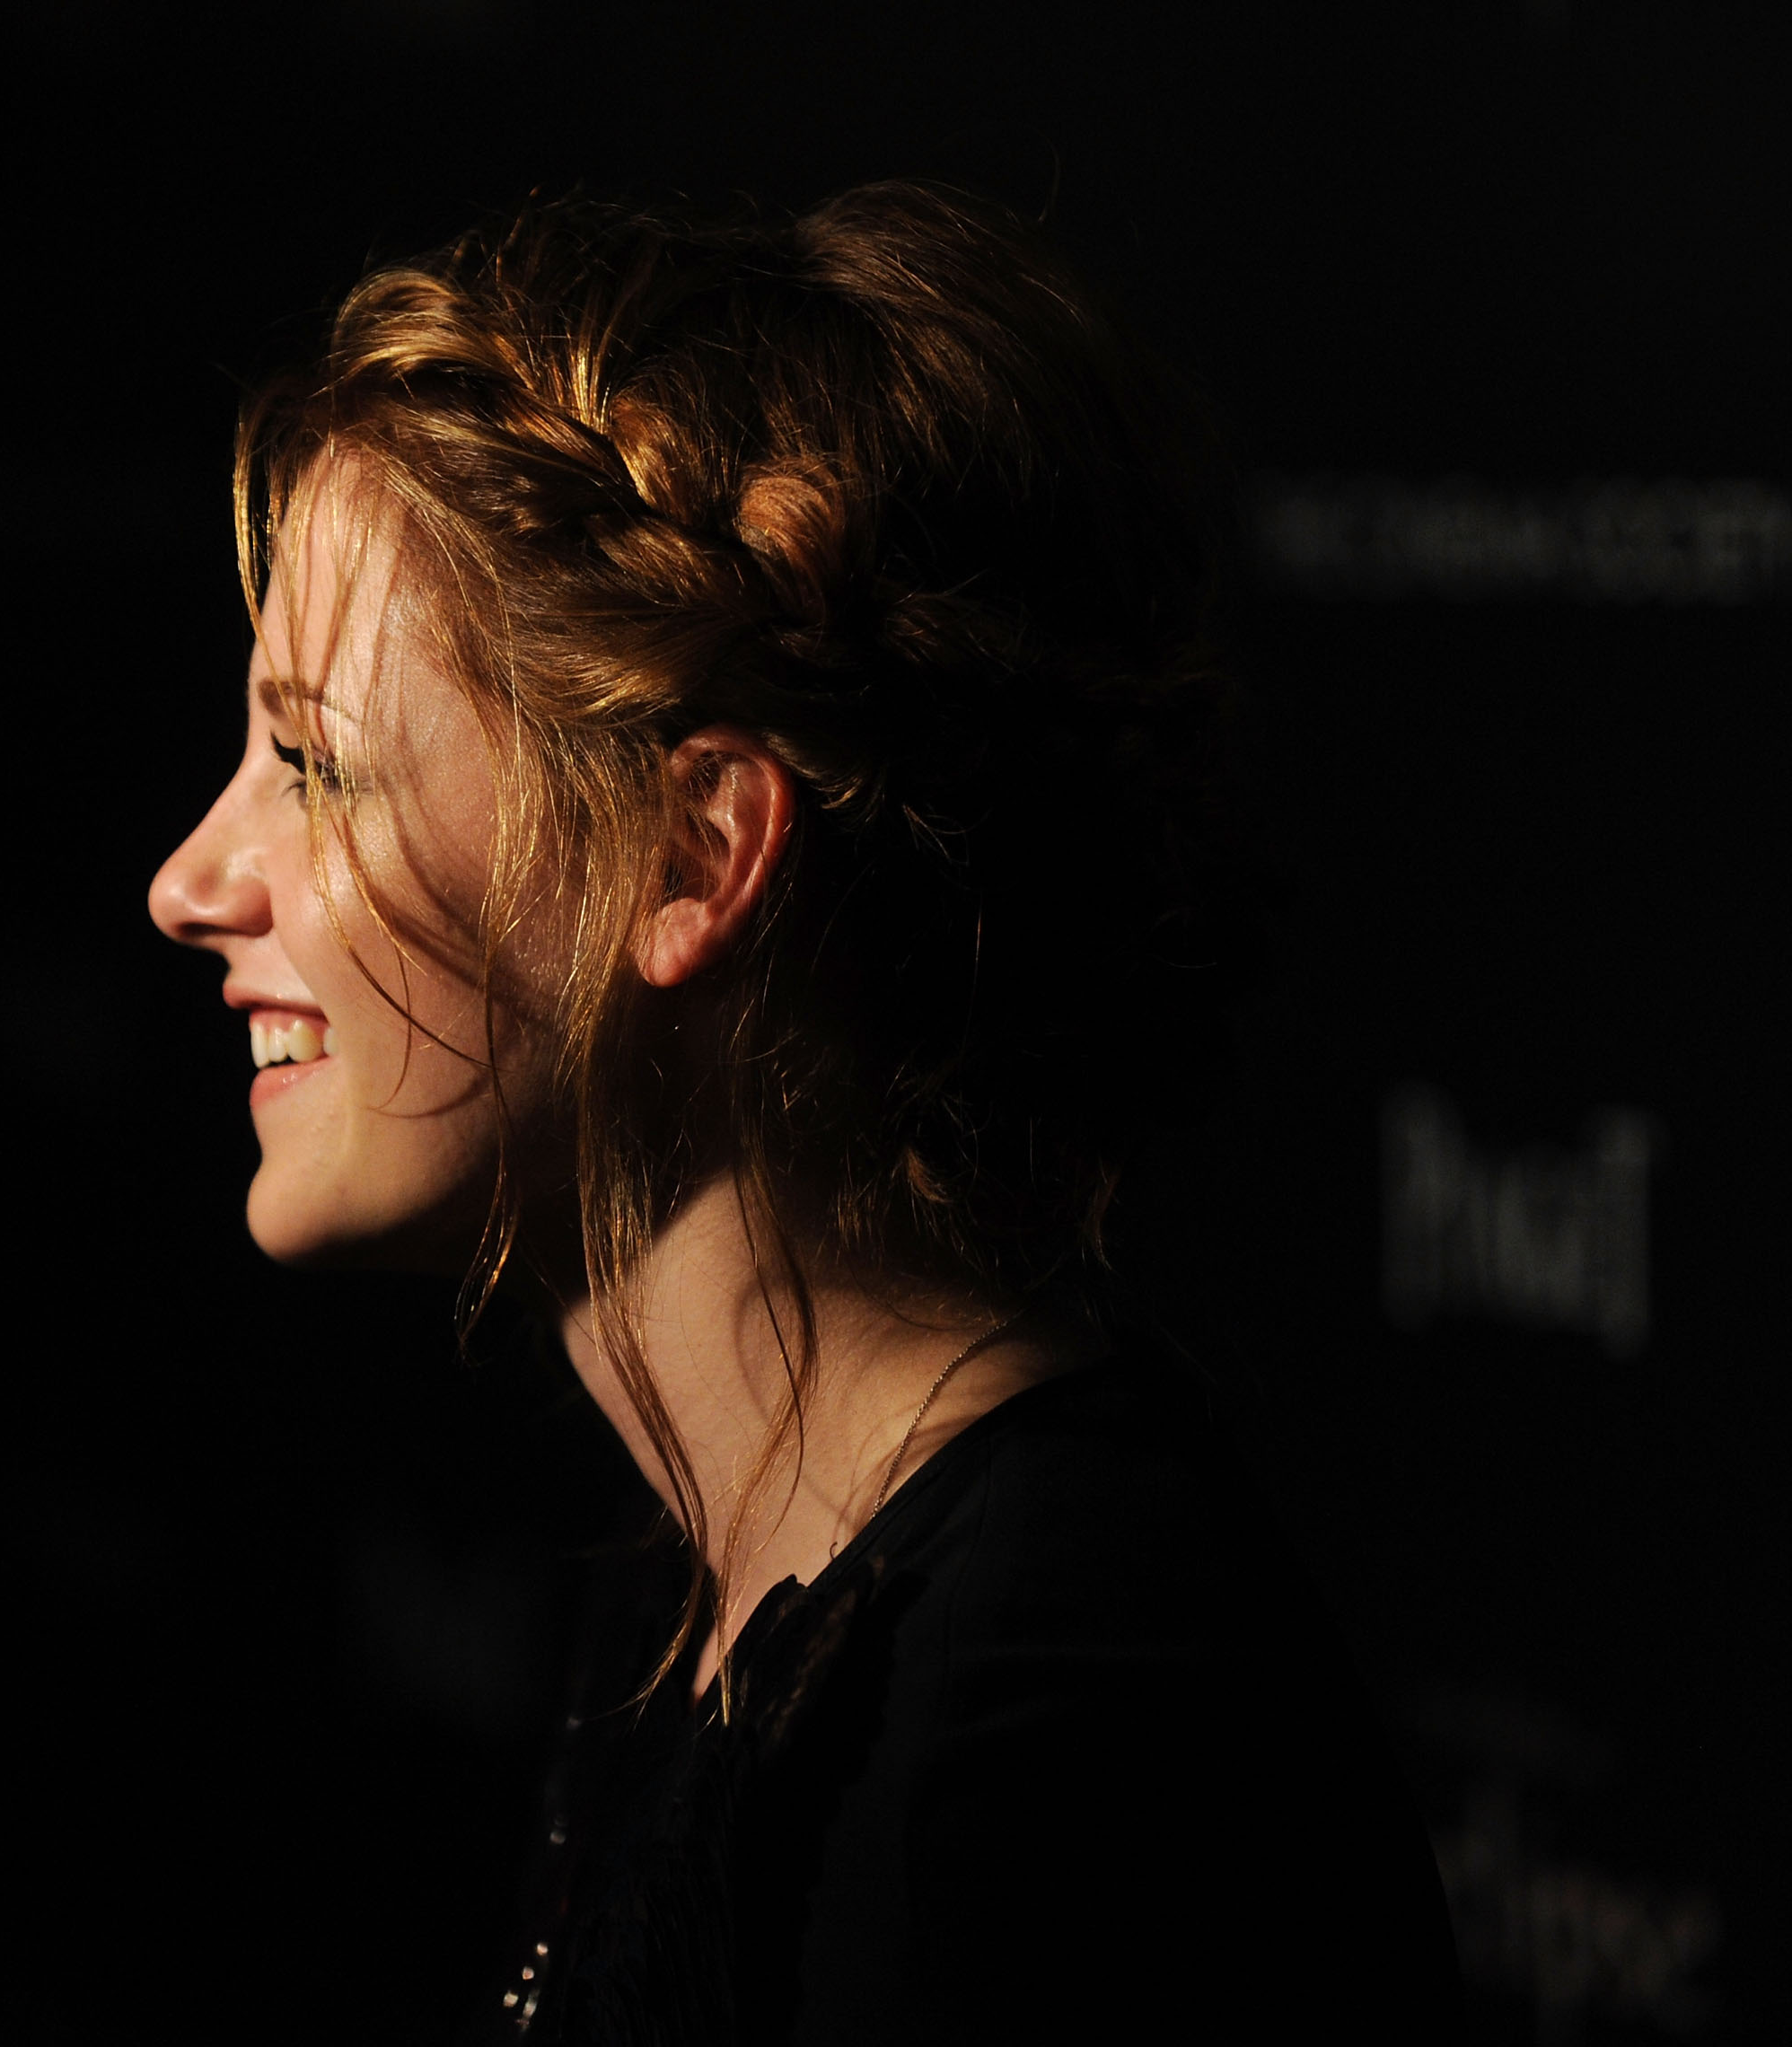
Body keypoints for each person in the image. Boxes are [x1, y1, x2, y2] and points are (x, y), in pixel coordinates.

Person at [149, 183, 1458, 2041]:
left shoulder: (1037, 1721)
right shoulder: (715, 1598)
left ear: (692, 857)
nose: (191, 883)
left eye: (315, 766)